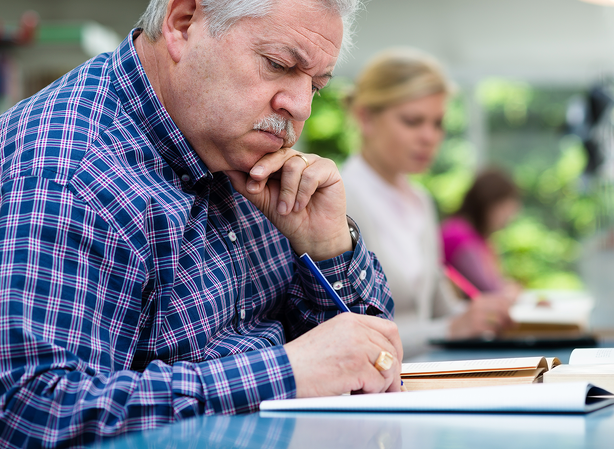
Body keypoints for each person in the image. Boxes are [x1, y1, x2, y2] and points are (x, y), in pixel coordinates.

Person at [0, 0, 403, 446]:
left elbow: (368, 360)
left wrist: (327, 247)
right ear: (182, 22)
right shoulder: (70, 173)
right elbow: (29, 411)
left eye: (317, 85)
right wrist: (284, 375)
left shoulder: (240, 150)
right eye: (279, 64)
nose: (300, 107)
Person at [341, 48, 515, 356]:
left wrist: (483, 312)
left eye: (437, 124)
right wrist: (447, 329)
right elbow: (347, 332)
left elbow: (442, 308)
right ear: (365, 117)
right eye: (412, 121)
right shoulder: (338, 199)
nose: (429, 137)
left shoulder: (420, 202)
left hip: (424, 378)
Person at [441, 168, 521, 293]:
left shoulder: (478, 236)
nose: (509, 217)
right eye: (504, 208)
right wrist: (509, 289)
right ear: (487, 203)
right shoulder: (458, 234)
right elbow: (490, 289)